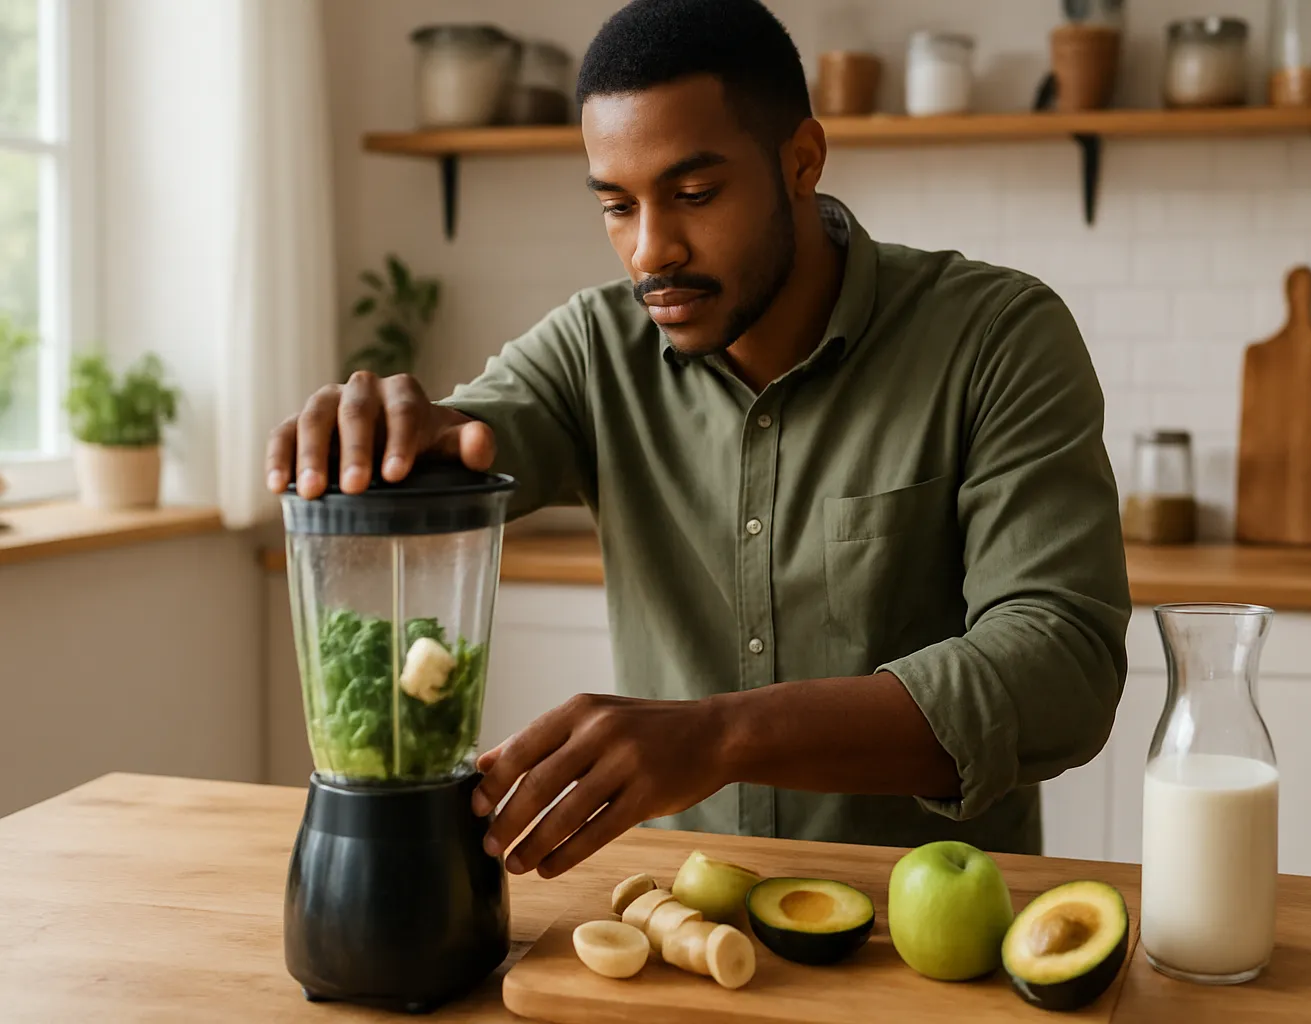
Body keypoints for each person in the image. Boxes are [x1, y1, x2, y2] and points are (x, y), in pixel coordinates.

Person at [267, 0, 1130, 879]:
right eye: (616, 205)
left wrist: (723, 736)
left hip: (927, 935)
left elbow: (1062, 665)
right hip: (683, 921)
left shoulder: (996, 338)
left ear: (802, 160)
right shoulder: (596, 347)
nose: (650, 251)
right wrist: (399, 438)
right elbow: (479, 434)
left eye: (693, 194)